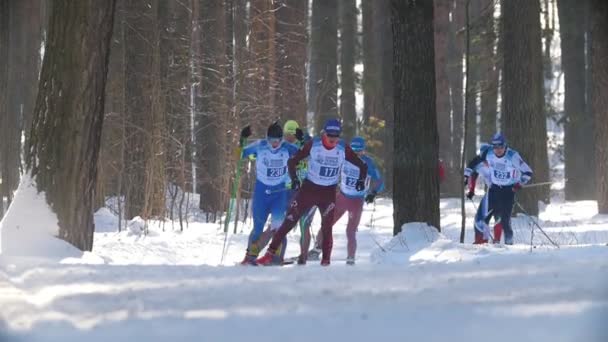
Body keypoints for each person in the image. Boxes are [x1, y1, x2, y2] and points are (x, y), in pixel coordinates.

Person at [256, 119, 368, 266]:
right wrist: (295, 179)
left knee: (327, 227)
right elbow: (292, 161)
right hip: (309, 190)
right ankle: (269, 255)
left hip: (328, 194)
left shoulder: (342, 148)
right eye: (330, 135)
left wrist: (360, 181)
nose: (333, 139)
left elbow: (362, 166)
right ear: (324, 134)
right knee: (289, 221)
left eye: (336, 135)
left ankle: (325, 261)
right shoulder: (314, 145)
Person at [306, 136, 383, 265]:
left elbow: (380, 181)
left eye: (359, 151)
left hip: (356, 201)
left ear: (364, 151)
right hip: (341, 198)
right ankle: (316, 250)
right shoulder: (343, 157)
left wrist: (373, 193)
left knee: (350, 231)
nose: (356, 154)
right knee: (326, 223)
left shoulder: (368, 163)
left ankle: (350, 258)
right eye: (354, 151)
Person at [239, 122, 299, 265]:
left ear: (281, 139)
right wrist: (243, 139)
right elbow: (240, 154)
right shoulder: (260, 146)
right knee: (258, 228)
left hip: (279, 193)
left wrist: (301, 140)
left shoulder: (287, 148)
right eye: (271, 140)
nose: (274, 144)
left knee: (278, 227)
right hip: (262, 193)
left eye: (277, 141)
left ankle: (276, 258)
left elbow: (304, 153)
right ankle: (249, 258)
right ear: (267, 138)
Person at [464, 133, 533, 245]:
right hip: (494, 190)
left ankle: (509, 245)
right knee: (480, 218)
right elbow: (474, 162)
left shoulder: (513, 156)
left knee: (505, 221)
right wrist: (466, 175)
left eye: (500, 146)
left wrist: (520, 183)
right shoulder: (489, 152)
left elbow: (528, 172)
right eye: (495, 147)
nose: (498, 150)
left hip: (508, 191)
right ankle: (480, 243)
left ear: (505, 145)